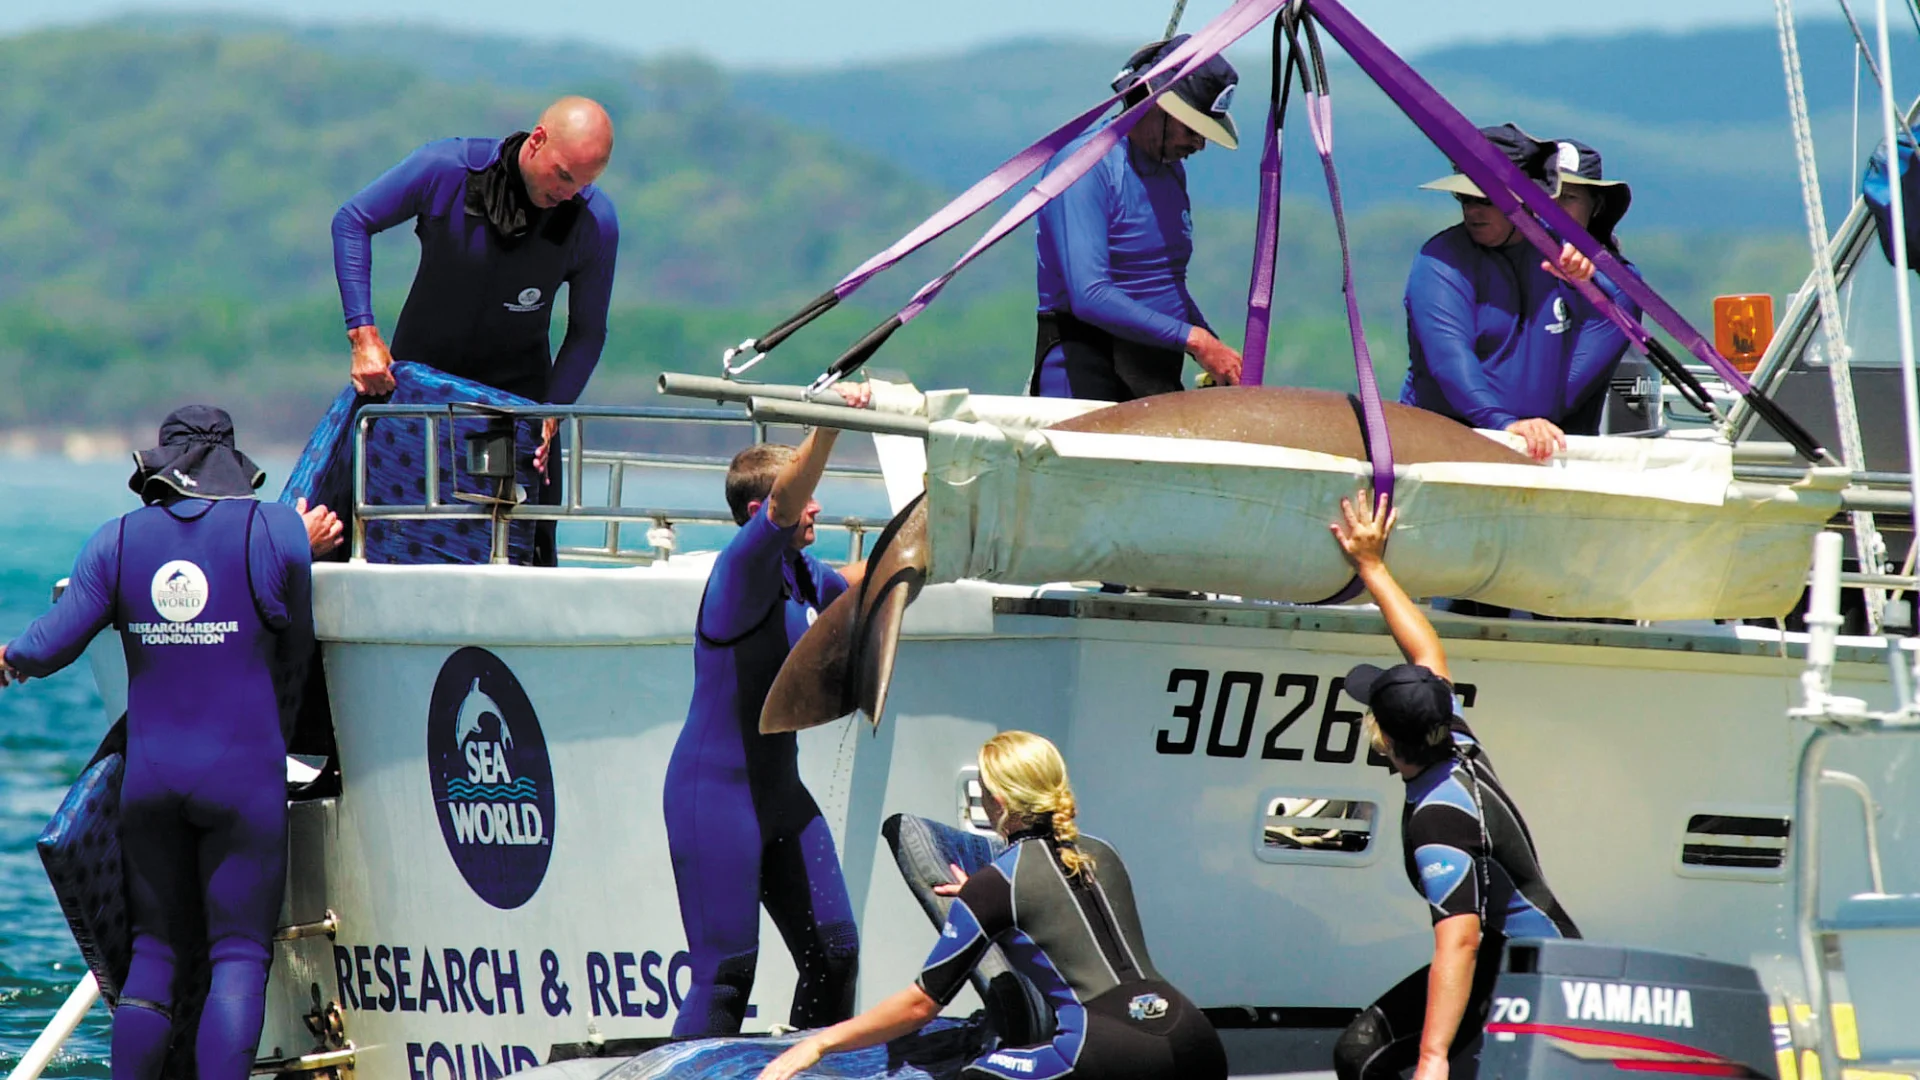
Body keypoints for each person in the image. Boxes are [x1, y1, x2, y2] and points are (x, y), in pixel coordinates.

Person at [0, 407, 316, 1080]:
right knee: (237, 954)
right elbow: (297, 650)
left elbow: (49, 645)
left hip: (153, 780)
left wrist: (8, 656)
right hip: (244, 779)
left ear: (161, 469)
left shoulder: (115, 542)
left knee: (155, 954)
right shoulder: (279, 531)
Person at [758, 730, 1225, 1080]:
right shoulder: (1103, 853)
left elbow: (920, 1005)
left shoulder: (997, 885)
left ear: (997, 799)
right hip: (1193, 1039)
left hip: (1103, 1047)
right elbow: (1062, 907)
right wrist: (982, 898)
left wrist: (819, 1043)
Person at [1327, 491, 1580, 1080]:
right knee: (1358, 1052)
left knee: (1370, 1063)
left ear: (1385, 738)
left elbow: (1459, 942)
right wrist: (1372, 567)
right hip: (1518, 954)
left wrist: (1433, 1058)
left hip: (1530, 971)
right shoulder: (1454, 739)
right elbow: (1425, 649)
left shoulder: (1437, 822)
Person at [664, 384, 873, 1037]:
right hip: (714, 798)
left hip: (781, 795)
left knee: (835, 957)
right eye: (803, 492)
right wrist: (829, 427)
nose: (818, 503)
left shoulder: (803, 573)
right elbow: (787, 499)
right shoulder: (740, 571)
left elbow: (862, 581)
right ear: (762, 511)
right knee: (726, 979)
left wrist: (939, 524)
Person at [330, 95, 620, 513]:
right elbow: (352, 220)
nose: (566, 193)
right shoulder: (447, 169)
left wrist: (552, 412)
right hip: (419, 393)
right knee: (384, 531)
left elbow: (588, 331)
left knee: (518, 545)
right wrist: (364, 336)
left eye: (581, 184)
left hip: (515, 407)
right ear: (538, 139)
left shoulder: (594, 220)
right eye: (561, 175)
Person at [1402, 124, 1639, 463]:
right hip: (1441, 445)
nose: (1473, 210)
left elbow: (1627, 302)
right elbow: (1449, 361)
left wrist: (1589, 286)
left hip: (1543, 448)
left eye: (1487, 199)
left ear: (1528, 201)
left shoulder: (1567, 255)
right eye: (1465, 197)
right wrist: (1506, 423)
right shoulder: (1440, 260)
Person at [1030, 35, 1244, 401]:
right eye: (1192, 129)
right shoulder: (1086, 166)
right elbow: (1090, 294)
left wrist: (1216, 350)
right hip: (1086, 368)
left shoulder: (1171, 170)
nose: (1199, 144)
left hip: (1153, 370)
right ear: (1157, 107)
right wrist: (1196, 340)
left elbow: (1166, 282)